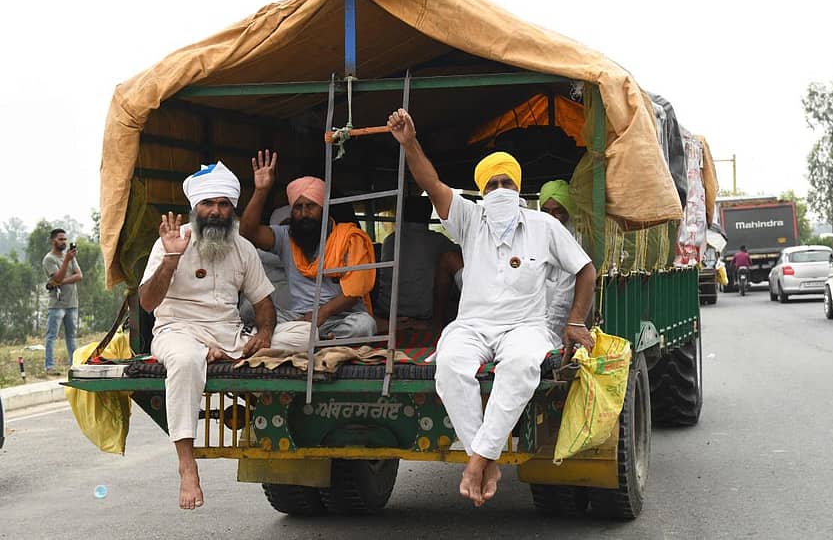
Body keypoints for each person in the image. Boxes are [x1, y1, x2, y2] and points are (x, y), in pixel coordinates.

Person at [386, 109, 596, 507]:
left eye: (507, 183)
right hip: (473, 326)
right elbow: (431, 183)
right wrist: (410, 143)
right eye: (493, 184)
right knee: (449, 365)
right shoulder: (469, 218)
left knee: (521, 366)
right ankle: (486, 459)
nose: (500, 190)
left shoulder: (544, 226)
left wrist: (575, 322)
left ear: (519, 188)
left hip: (526, 327)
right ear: (482, 191)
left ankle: (477, 462)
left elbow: (586, 269)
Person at [139, 161, 308, 510]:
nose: (216, 211)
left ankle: (220, 354)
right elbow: (148, 303)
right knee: (185, 360)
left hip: (230, 336)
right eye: (208, 204)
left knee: (307, 334)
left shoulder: (242, 247)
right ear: (195, 208)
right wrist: (170, 260)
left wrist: (265, 333)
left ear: (232, 209)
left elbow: (264, 302)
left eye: (223, 204)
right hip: (178, 330)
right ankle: (187, 465)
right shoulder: (171, 243)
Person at [240, 150, 377, 340]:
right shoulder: (286, 236)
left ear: (324, 208)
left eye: (311, 206)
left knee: (364, 325)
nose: (304, 213)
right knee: (248, 308)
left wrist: (320, 315)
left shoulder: (349, 238)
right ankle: (314, 339)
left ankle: (296, 338)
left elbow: (353, 294)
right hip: (298, 318)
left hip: (339, 318)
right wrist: (261, 191)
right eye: (298, 207)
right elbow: (248, 232)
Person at [375, 195, 458, 332]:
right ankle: (437, 324)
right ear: (428, 215)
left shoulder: (390, 239)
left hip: (387, 311)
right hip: (423, 314)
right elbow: (461, 259)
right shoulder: (438, 241)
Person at [539, 179, 584, 346]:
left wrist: (545, 338)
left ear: (569, 210)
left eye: (558, 211)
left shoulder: (575, 241)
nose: (551, 217)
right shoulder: (535, 236)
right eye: (546, 211)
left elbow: (563, 299)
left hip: (555, 334)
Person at [42, 228, 82, 374]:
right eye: (60, 239)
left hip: (72, 303)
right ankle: (49, 367)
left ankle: (74, 365)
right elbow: (57, 277)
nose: (64, 242)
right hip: (57, 305)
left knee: (71, 336)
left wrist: (59, 282)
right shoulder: (49, 259)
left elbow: (79, 275)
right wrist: (66, 262)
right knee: (52, 336)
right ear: (53, 241)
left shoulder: (70, 256)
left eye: (65, 239)